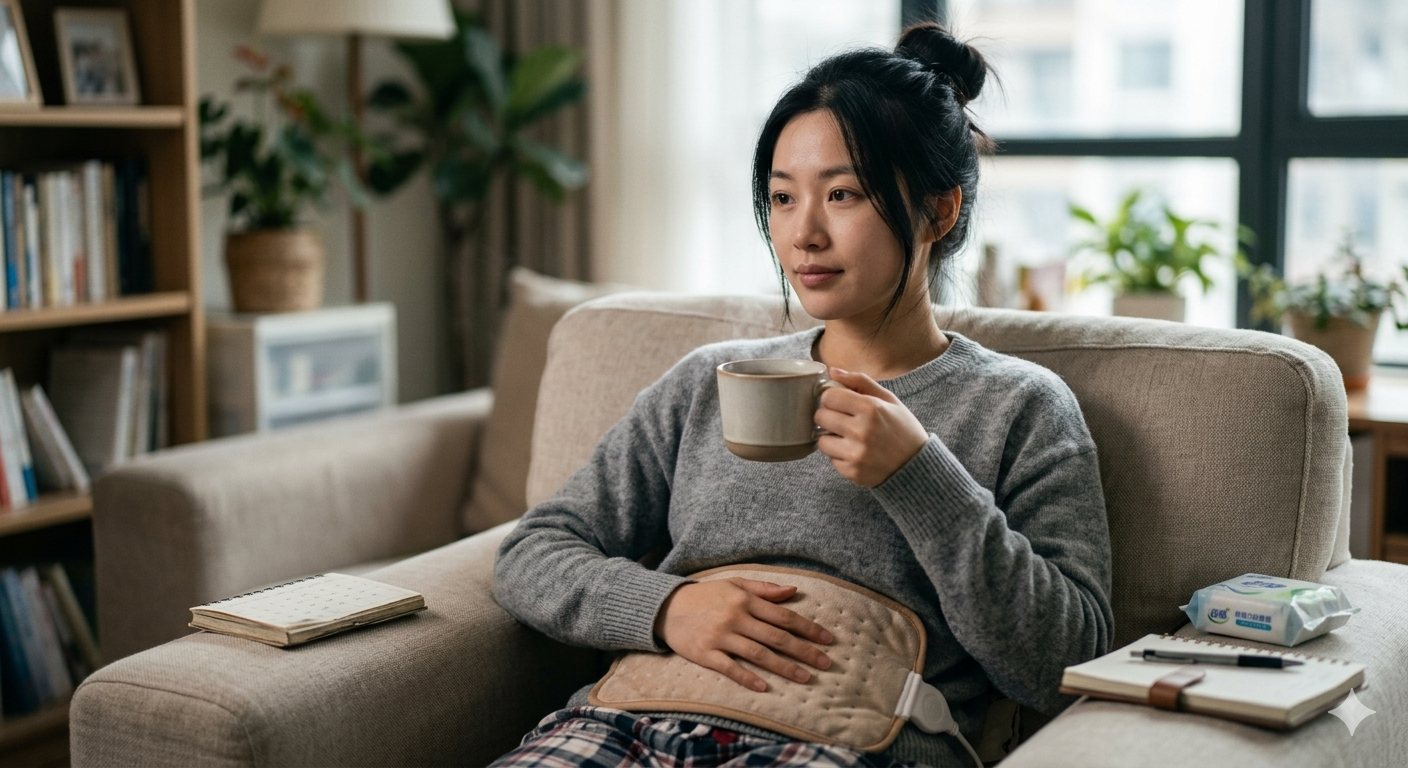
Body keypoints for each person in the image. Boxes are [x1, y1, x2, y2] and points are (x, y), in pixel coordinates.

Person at [491, 22, 1113, 768]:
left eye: (842, 194)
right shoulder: (707, 380)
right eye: (782, 198)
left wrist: (922, 479)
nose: (803, 236)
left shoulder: (1020, 406)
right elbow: (532, 551)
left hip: (844, 748)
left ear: (938, 212)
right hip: (623, 728)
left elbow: (1066, 662)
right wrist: (666, 608)